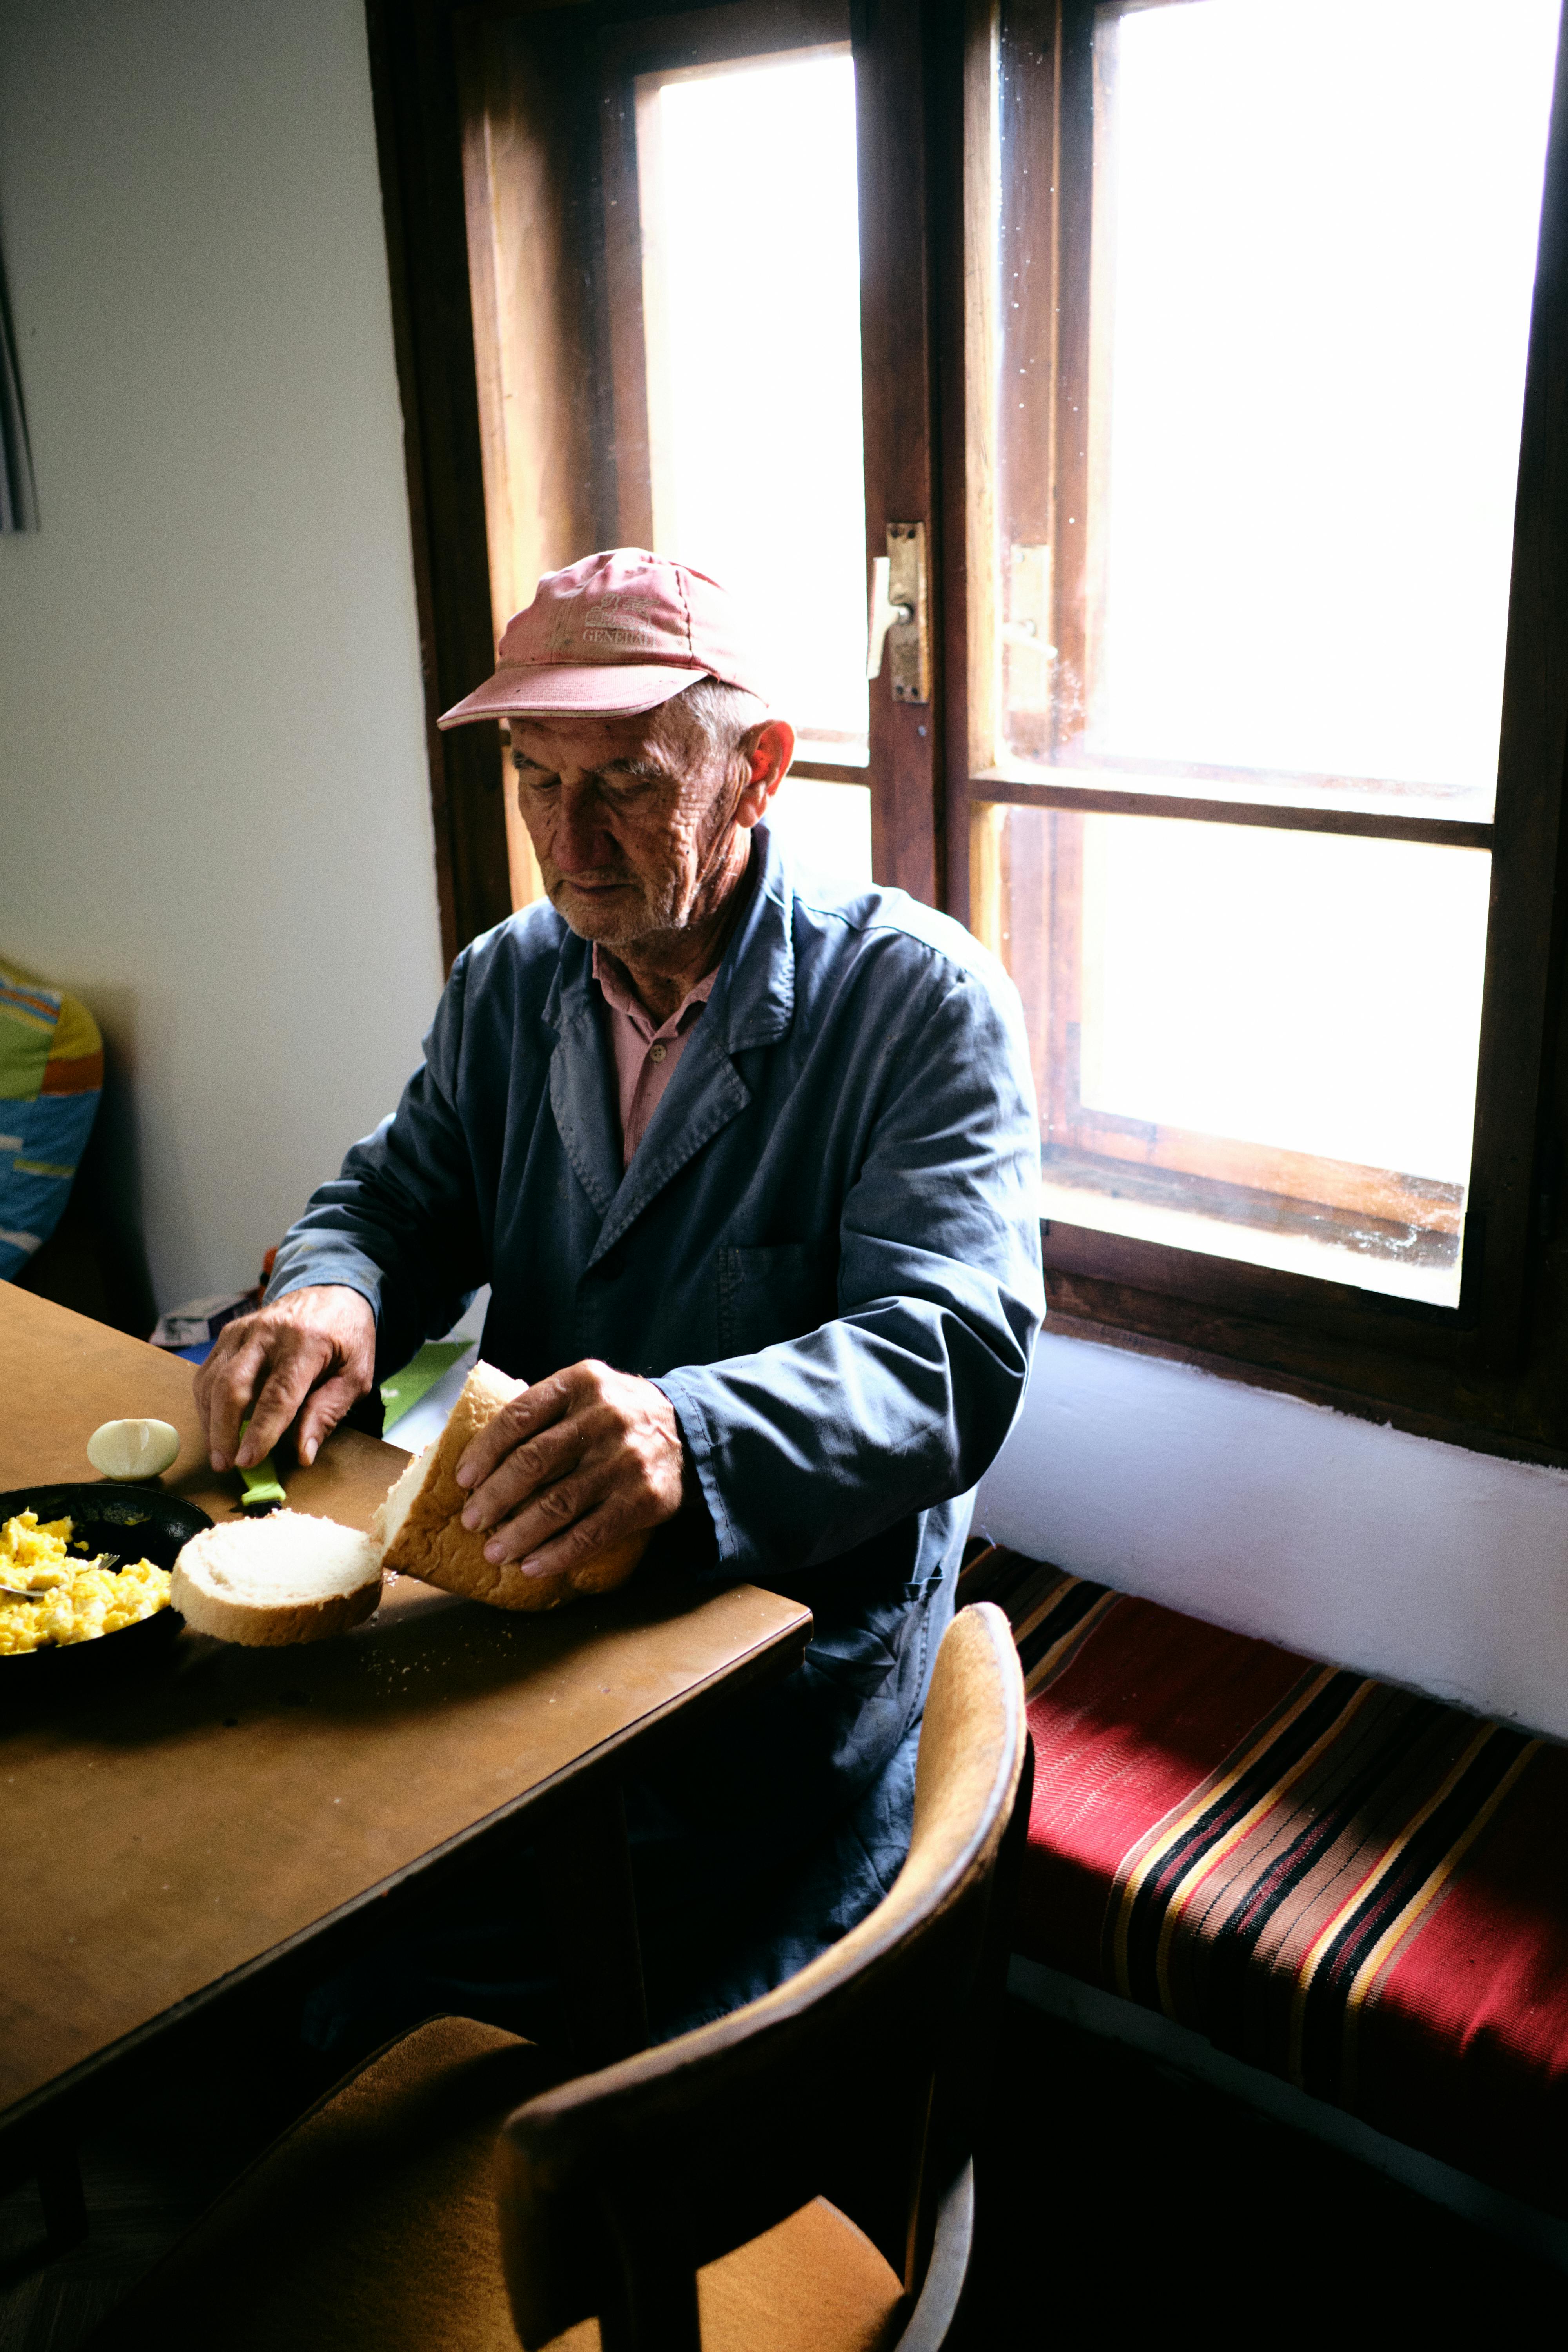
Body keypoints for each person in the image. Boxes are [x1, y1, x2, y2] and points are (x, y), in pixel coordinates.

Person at [195, 547, 1044, 2036]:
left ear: (760, 769)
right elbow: (395, 1199)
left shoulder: (917, 999)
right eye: (537, 783)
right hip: (534, 1603)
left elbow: (951, 1356)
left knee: (408, 1975)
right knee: (263, 1843)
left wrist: (688, 1432)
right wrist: (334, 1290)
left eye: (629, 786)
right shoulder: (509, 982)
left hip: (769, 1658)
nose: (570, 840)